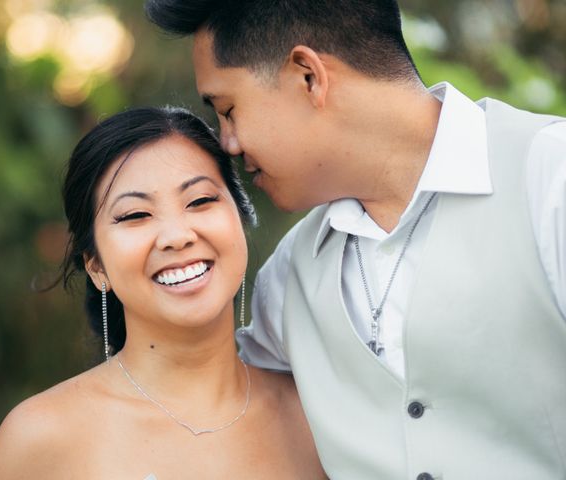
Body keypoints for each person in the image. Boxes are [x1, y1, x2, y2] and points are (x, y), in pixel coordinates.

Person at [145, 1, 566, 479]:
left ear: (308, 76)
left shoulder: (551, 180)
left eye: (228, 110)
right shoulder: (289, 277)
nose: (228, 143)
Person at [0, 107, 326, 479]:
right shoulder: (41, 438)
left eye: (199, 201)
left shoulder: (317, 415)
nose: (177, 236)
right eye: (135, 215)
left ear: (239, 219)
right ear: (95, 265)